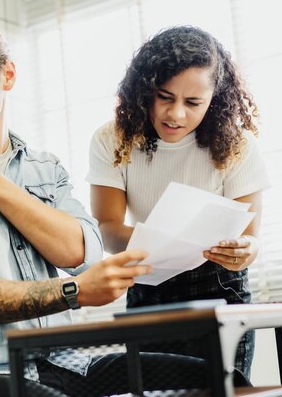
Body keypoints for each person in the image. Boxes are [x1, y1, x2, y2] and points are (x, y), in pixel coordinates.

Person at [0, 20, 226, 397]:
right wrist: (73, 291)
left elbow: (80, 251)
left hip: (68, 362)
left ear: (7, 75)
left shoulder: (45, 168)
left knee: (216, 379)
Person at [87, 25, 270, 378]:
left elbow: (250, 237)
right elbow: (108, 231)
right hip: (148, 285)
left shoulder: (237, 145)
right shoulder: (112, 139)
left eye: (193, 102)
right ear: (144, 91)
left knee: (224, 388)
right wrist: (167, 241)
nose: (176, 115)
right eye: (164, 97)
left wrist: (245, 249)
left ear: (214, 98)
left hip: (219, 288)